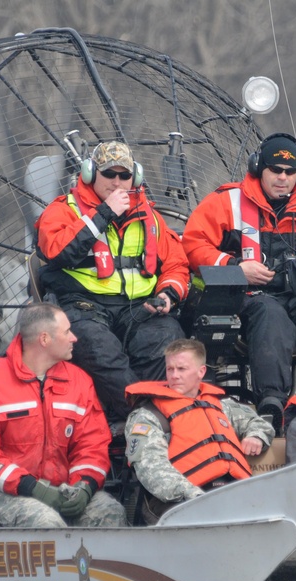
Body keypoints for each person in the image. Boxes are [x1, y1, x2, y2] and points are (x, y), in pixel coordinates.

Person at [182, 133, 296, 428]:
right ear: (258, 169)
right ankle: (273, 404)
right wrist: (236, 267)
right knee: (271, 315)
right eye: (275, 171)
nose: (283, 178)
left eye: (290, 172)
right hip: (251, 298)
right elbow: (193, 245)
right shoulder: (225, 201)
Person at [34, 140, 190, 427]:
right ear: (91, 173)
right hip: (84, 307)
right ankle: (145, 420)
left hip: (139, 308)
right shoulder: (64, 209)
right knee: (98, 349)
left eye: (124, 175)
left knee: (168, 341)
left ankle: (163, 417)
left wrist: (168, 294)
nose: (117, 181)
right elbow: (55, 250)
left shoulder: (151, 217)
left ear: (136, 178)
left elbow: (177, 264)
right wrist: (103, 214)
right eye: (109, 174)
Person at [0, 302, 127, 528]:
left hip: (61, 487)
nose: (74, 338)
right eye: (66, 332)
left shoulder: (79, 382)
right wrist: (32, 488)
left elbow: (92, 444)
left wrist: (84, 486)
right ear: (44, 340)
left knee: (110, 513)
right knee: (45, 523)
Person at [124, 338, 275, 524]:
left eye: (181, 369)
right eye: (170, 369)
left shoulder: (222, 405)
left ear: (201, 371)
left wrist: (256, 436)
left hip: (231, 492)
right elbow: (152, 470)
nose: (174, 376)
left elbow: (259, 424)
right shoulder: (148, 414)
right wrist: (196, 496)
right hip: (180, 500)